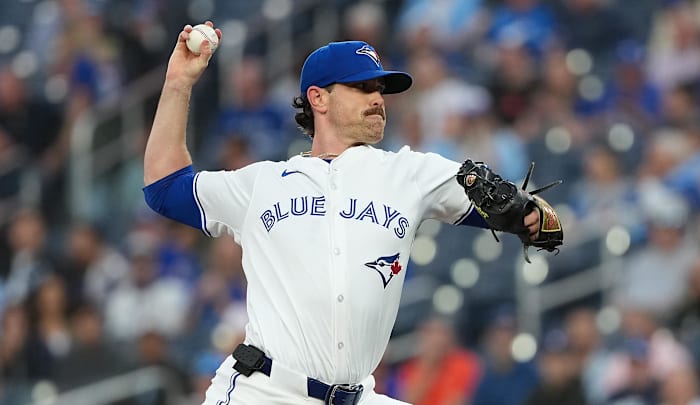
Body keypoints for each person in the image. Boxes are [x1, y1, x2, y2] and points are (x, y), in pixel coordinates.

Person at [142, 21, 542, 405]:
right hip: (265, 392)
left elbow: (529, 216)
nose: (377, 98)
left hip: (355, 395)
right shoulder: (262, 184)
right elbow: (164, 187)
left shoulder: (411, 174)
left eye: (380, 89)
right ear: (318, 98)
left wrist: (534, 217)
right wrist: (179, 83)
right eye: (362, 87)